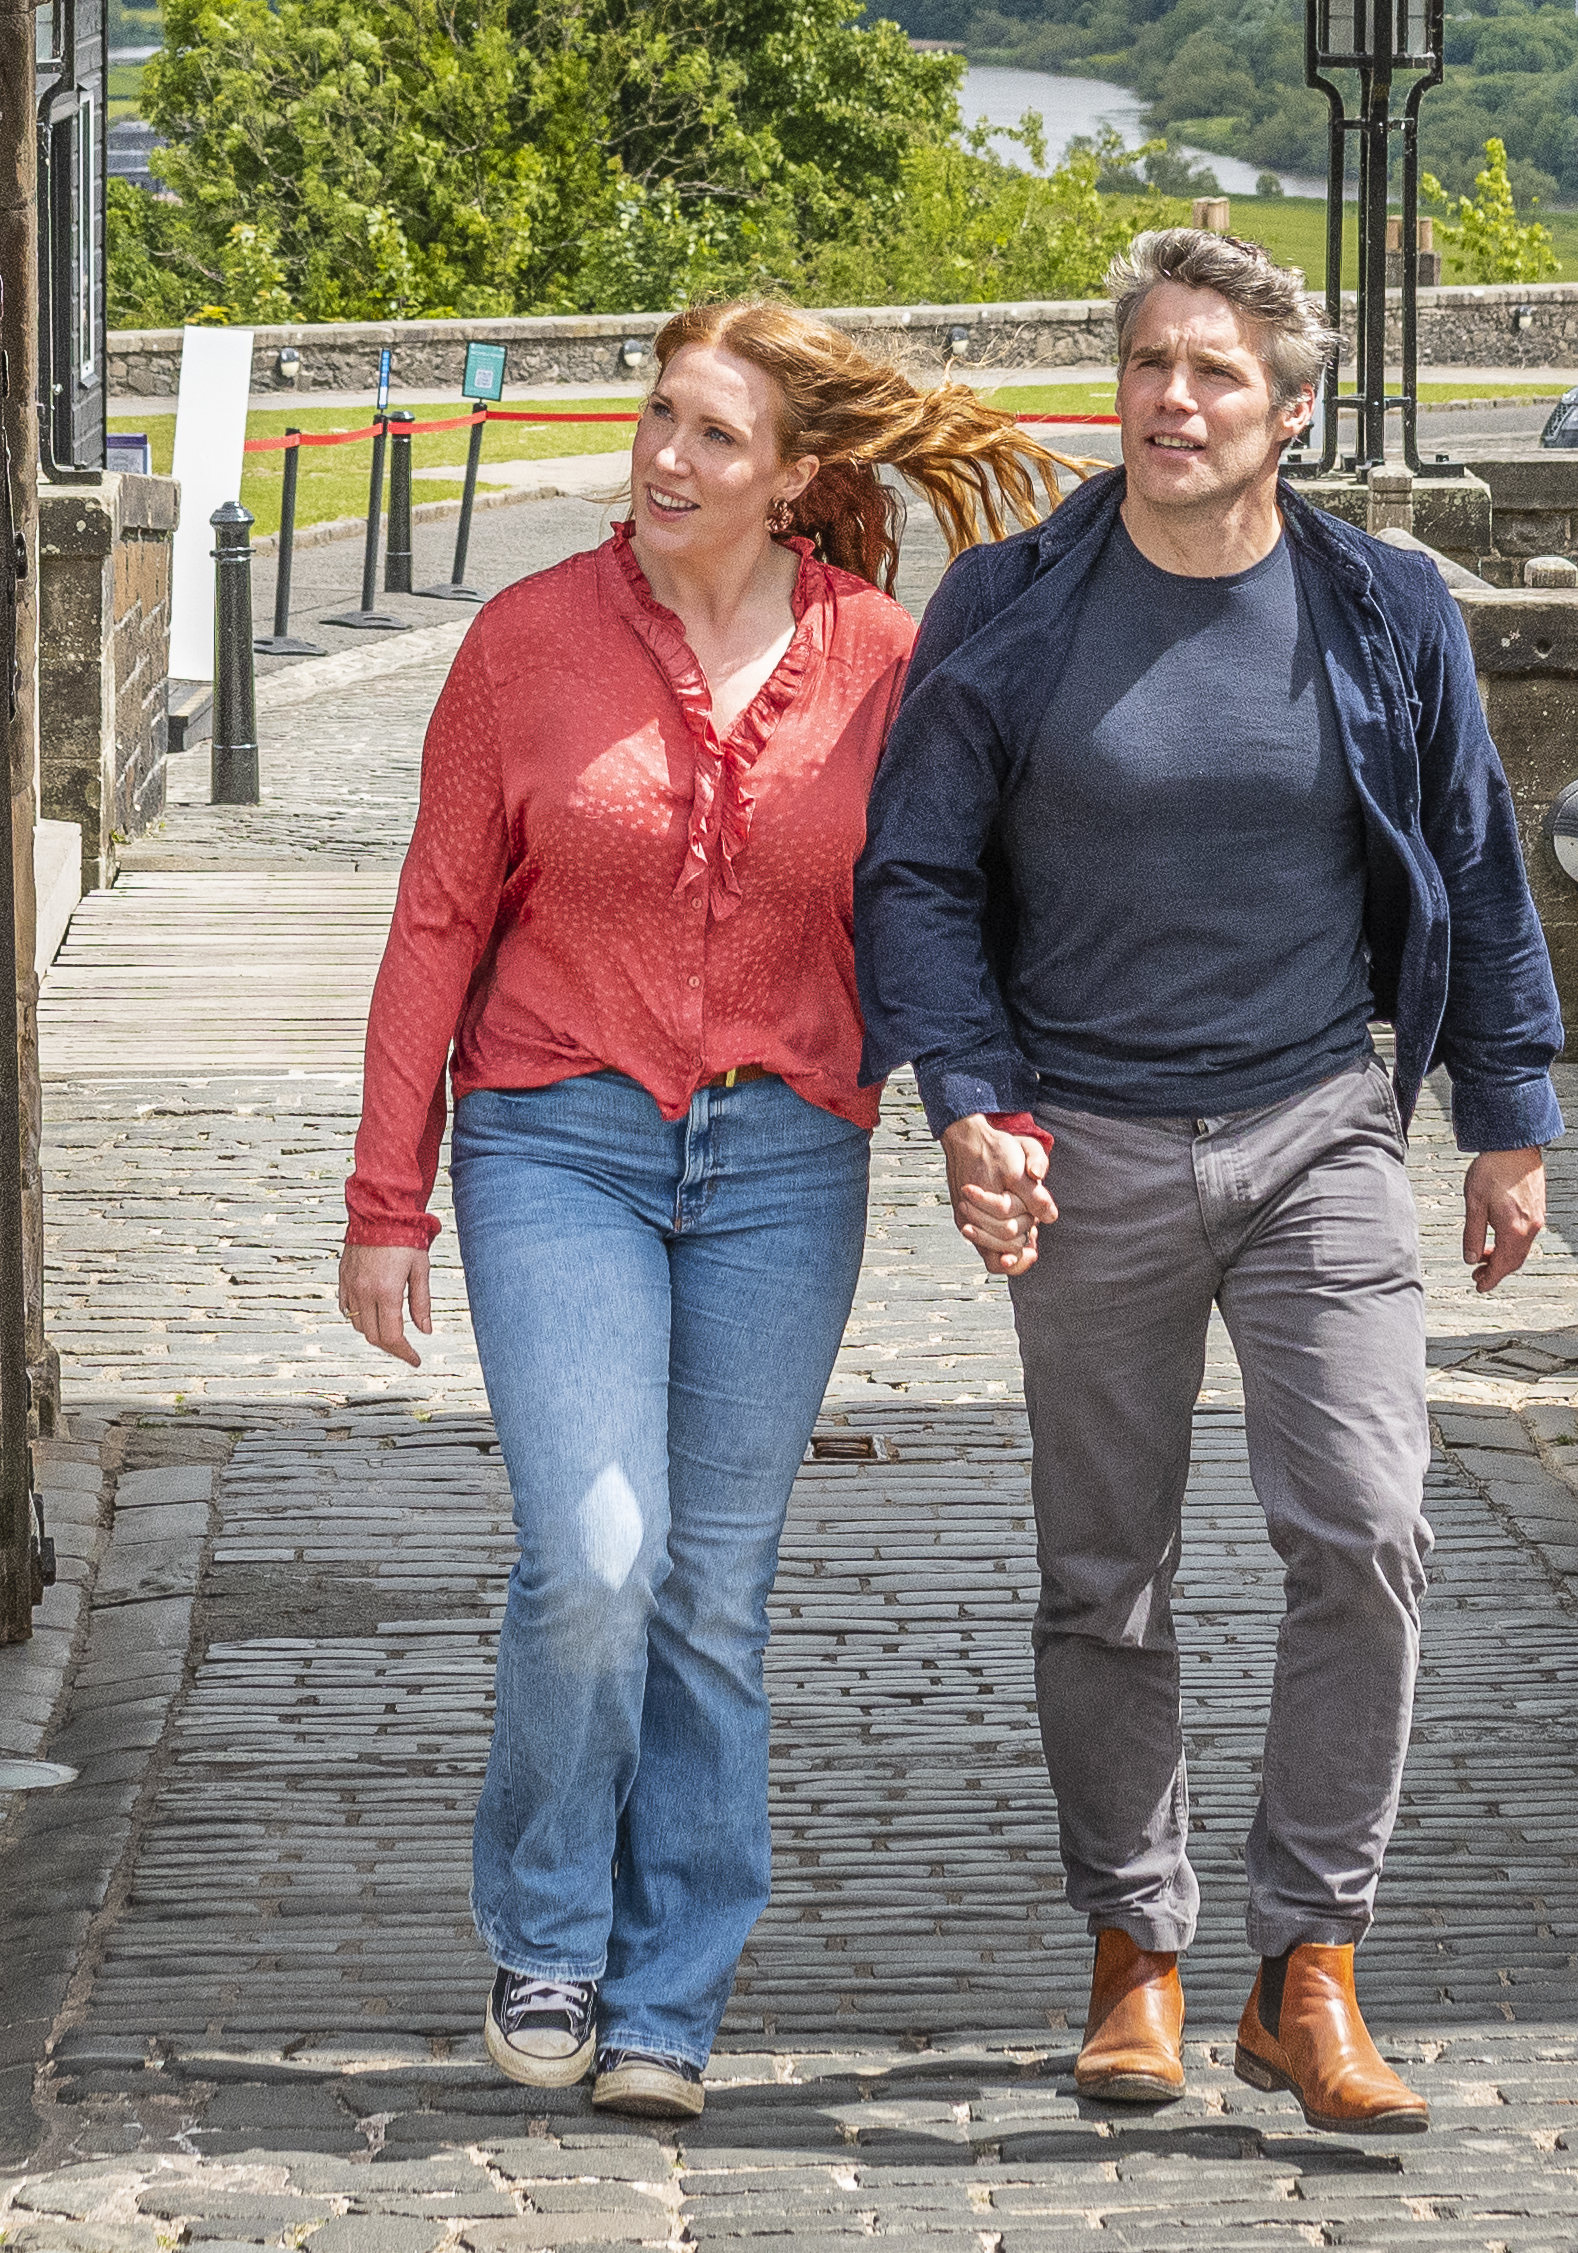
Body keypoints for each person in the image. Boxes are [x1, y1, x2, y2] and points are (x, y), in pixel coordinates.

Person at [850, 224, 1561, 2137]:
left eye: (1216, 371)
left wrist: (1507, 1118)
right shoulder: (1013, 604)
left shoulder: (1383, 606)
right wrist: (971, 1101)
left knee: (1368, 1525)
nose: (1173, 399)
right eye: (1148, 363)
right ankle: (1136, 1954)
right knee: (1108, 1574)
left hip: (1318, 1122)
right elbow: (915, 875)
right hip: (1085, 1140)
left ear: (1291, 410)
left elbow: (1476, 861)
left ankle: (1309, 1965)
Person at [343, 297, 1063, 2116]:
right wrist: (385, 1194)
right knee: (597, 1557)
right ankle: (549, 1932)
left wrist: (985, 1110)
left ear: (796, 478)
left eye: (715, 434)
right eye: (661, 414)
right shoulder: (525, 643)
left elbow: (944, 904)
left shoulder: (886, 660)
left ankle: (670, 1995)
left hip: (784, 1157)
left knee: (713, 1594)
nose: (667, 457)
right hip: (557, 1138)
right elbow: (436, 918)